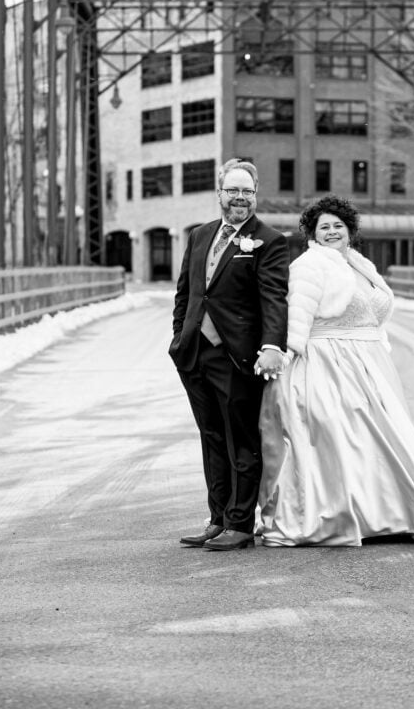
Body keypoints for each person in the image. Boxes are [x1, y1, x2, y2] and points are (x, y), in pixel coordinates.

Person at [257, 194, 414, 547]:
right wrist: (286, 354)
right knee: (346, 440)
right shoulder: (310, 265)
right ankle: (349, 514)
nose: (332, 231)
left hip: (367, 362)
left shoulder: (358, 264)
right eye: (324, 227)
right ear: (312, 233)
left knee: (385, 440)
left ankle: (393, 513)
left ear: (350, 231)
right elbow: (299, 315)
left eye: (338, 225)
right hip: (328, 363)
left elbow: (374, 311)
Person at [169, 158, 289, 551]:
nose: (240, 198)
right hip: (195, 355)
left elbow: (274, 299)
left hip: (238, 357)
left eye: (247, 191)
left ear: (256, 196)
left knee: (241, 440)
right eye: (233, 190)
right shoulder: (201, 235)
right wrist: (179, 339)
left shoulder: (268, 241)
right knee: (211, 439)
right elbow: (186, 294)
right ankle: (217, 518)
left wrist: (271, 346)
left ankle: (241, 523)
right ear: (219, 193)